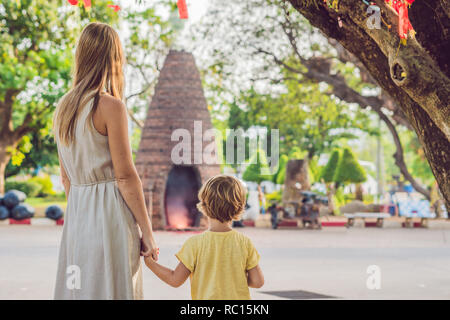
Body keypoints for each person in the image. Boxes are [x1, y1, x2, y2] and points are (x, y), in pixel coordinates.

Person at [52, 23, 158, 299]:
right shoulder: (110, 106)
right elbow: (125, 177)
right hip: (111, 214)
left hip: (78, 214)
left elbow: (66, 178)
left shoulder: (62, 109)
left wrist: (83, 213)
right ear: (113, 58)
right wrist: (147, 231)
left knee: (81, 288)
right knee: (113, 288)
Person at [144, 175, 264, 300]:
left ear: (204, 206)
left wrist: (150, 263)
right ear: (239, 206)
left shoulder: (195, 244)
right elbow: (258, 282)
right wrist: (235, 277)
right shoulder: (244, 243)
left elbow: (175, 280)